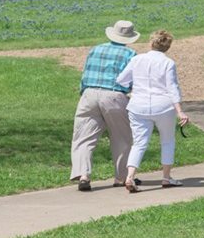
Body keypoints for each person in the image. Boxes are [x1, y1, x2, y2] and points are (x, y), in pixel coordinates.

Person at [70, 20, 142, 192]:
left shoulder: (96, 49)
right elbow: (132, 79)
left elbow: (85, 73)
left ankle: (83, 175)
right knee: (122, 137)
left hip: (89, 93)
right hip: (114, 95)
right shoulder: (130, 54)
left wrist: (84, 92)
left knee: (83, 137)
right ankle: (121, 176)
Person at [116, 30, 190, 193]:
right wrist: (180, 111)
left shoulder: (137, 59)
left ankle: (129, 176)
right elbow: (172, 88)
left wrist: (136, 88)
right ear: (167, 47)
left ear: (151, 43)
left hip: (138, 105)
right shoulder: (168, 63)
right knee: (167, 141)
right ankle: (166, 177)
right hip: (163, 106)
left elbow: (121, 80)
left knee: (139, 143)